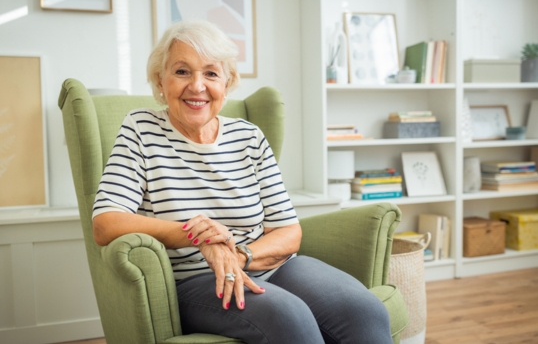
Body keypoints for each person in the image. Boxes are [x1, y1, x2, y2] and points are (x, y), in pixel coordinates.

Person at [92, 19, 393, 344]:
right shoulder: (141, 129)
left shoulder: (248, 136)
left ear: (227, 82)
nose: (197, 86)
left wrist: (239, 257)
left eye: (210, 73)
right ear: (160, 81)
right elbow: (106, 223)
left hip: (270, 265)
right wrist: (196, 236)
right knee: (288, 316)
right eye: (182, 71)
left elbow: (288, 232)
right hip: (196, 280)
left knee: (364, 309)